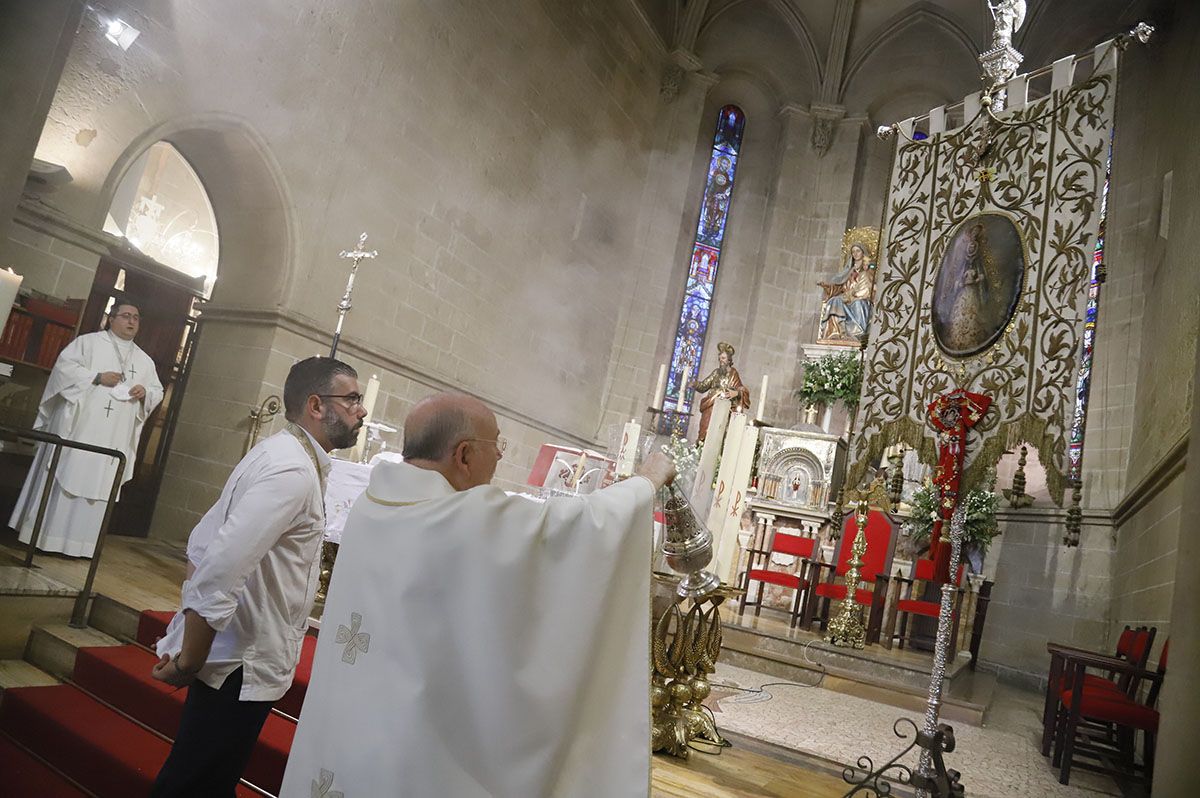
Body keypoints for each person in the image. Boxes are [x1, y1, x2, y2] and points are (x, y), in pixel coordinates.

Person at [279, 393, 676, 798]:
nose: (500, 457)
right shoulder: (465, 517)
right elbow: (578, 529)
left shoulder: (370, 505)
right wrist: (644, 484)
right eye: (497, 446)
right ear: (464, 455)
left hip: (352, 729)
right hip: (412, 752)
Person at [149, 356, 366, 797]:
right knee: (193, 785)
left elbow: (201, 541)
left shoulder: (281, 453)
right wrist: (191, 657)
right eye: (352, 399)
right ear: (316, 405)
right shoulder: (292, 470)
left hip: (236, 655)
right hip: (240, 664)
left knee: (204, 781)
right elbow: (221, 564)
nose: (361, 410)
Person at [9, 300, 163, 557]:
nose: (131, 321)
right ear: (111, 319)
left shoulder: (144, 361)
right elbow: (63, 370)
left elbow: (157, 390)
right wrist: (96, 377)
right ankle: (45, 538)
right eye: (125, 315)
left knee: (101, 483)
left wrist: (145, 391)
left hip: (113, 438)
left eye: (136, 317)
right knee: (68, 470)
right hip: (80, 430)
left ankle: (83, 547)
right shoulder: (87, 343)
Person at [693, 341, 750, 443]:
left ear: (729, 360)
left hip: (723, 408)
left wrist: (736, 393)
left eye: (723, 358)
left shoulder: (733, 374)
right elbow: (703, 386)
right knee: (704, 431)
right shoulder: (716, 372)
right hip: (709, 405)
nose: (721, 361)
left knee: (717, 434)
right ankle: (700, 448)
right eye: (719, 359)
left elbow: (741, 389)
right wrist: (695, 384)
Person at [818, 243, 876, 343]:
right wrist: (828, 287)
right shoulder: (849, 270)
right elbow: (839, 286)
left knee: (858, 303)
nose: (855, 254)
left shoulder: (868, 270)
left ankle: (857, 333)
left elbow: (868, 288)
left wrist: (852, 296)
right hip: (847, 297)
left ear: (863, 253)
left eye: (858, 251)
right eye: (853, 252)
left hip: (860, 298)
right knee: (834, 300)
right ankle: (836, 333)